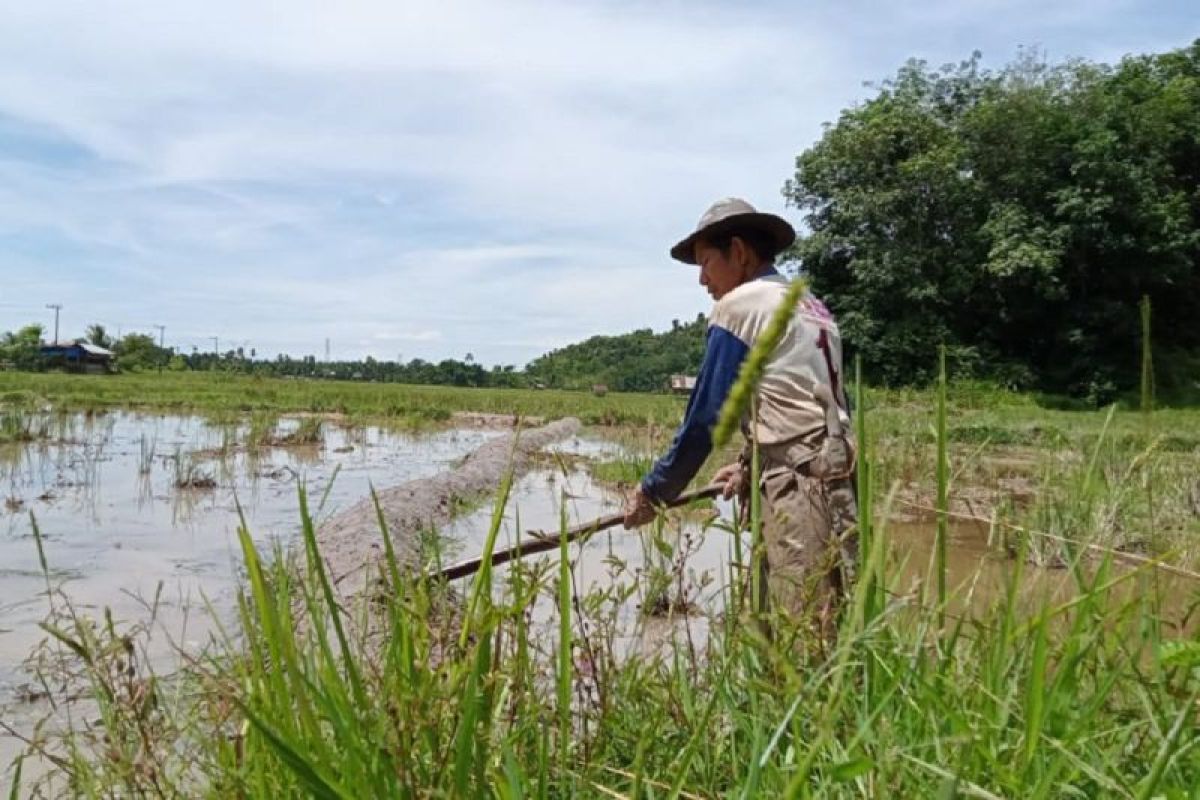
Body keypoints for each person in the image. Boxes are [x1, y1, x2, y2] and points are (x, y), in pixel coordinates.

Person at [622, 197, 856, 632]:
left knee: (799, 624)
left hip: (799, 479)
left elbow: (706, 418)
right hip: (837, 469)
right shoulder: (809, 305)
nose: (702, 279)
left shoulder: (741, 305)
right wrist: (751, 462)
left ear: (740, 252)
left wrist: (655, 492)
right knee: (832, 602)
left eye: (706, 262)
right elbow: (808, 398)